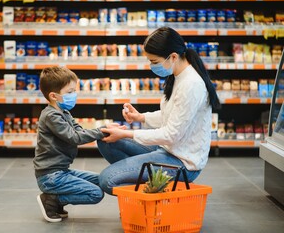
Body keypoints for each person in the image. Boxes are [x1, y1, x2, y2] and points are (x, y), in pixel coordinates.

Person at [97, 27, 221, 195]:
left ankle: (149, 193)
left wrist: (127, 134)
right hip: (166, 149)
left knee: (108, 179)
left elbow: (171, 134)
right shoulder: (177, 75)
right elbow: (169, 116)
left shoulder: (191, 85)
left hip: (182, 162)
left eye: (154, 61)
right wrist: (140, 117)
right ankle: (143, 178)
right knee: (105, 138)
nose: (151, 66)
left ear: (173, 57)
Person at [34, 66, 124, 222]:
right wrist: (102, 131)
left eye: (74, 91)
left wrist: (105, 129)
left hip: (62, 171)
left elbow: (80, 131)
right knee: (96, 193)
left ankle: (56, 200)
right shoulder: (51, 116)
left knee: (102, 179)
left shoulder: (64, 113)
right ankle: (52, 200)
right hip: (50, 176)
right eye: (69, 92)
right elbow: (74, 137)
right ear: (54, 96)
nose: (74, 95)